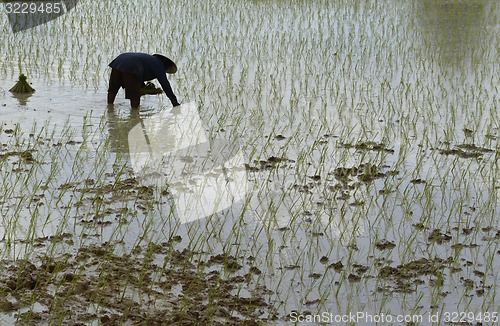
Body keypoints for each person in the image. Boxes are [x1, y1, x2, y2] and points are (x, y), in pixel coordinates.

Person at [107, 52, 180, 108]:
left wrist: (142, 86)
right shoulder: (159, 65)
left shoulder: (149, 60)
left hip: (119, 60)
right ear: (166, 66)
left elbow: (140, 74)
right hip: (132, 66)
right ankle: (134, 116)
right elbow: (165, 84)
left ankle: (109, 108)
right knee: (135, 96)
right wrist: (175, 102)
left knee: (112, 90)